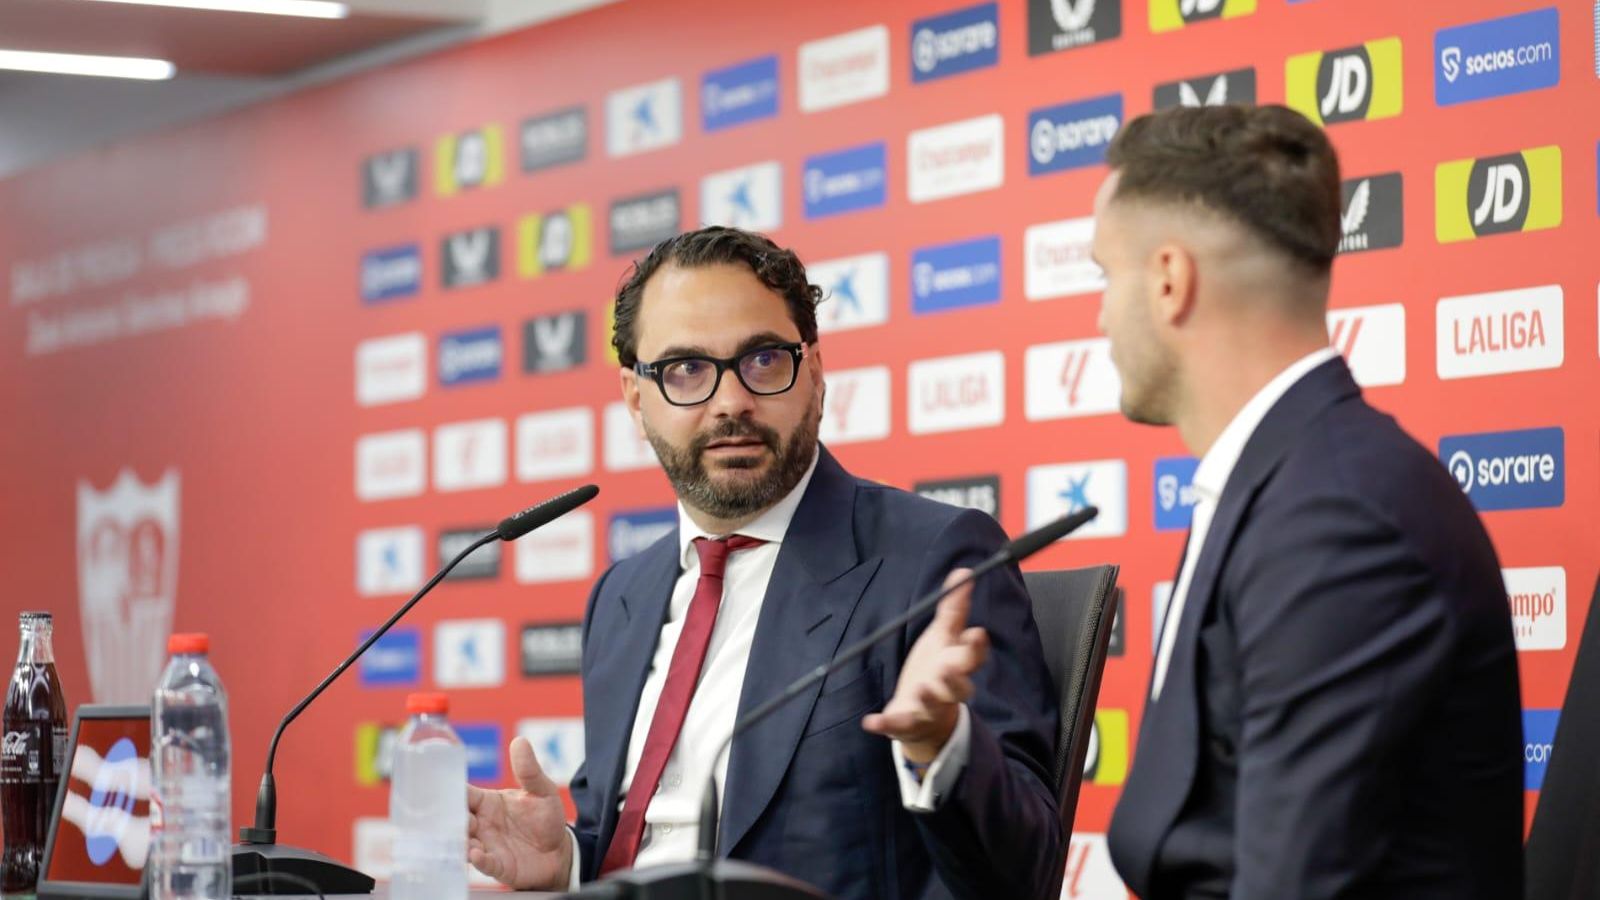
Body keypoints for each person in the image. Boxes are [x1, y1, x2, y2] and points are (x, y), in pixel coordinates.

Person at [465, 226, 1065, 899]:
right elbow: (640, 842)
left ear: (814, 373)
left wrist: (943, 747)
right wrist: (571, 865)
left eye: (763, 360)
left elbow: (1028, 874)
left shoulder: (934, 562)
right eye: (686, 369)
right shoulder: (621, 596)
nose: (731, 402)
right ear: (636, 398)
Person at [1096, 104, 1524, 899]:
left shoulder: (1339, 516)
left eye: (1104, 276)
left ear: (1168, 281)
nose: (1099, 317)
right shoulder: (1287, 483)